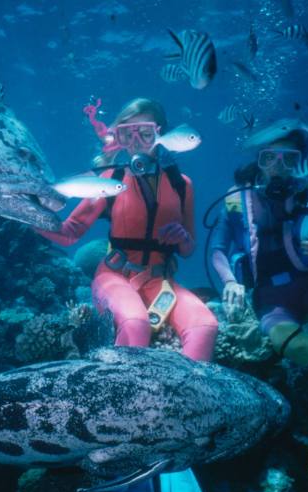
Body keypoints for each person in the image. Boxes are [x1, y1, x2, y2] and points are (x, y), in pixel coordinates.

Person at [33, 97, 218, 362]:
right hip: (114, 275)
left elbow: (188, 251)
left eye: (144, 133)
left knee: (205, 326)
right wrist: (26, 216)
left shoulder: (182, 184)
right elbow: (69, 233)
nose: (134, 142)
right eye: (125, 133)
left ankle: (186, 399)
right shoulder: (110, 180)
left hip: (161, 281)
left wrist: (183, 237)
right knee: (134, 324)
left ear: (161, 134)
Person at [210, 129, 308, 385]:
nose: (278, 166)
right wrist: (230, 280)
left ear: (300, 162)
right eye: (269, 158)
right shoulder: (235, 200)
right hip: (270, 297)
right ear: (258, 159)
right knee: (293, 345)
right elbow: (218, 249)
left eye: (289, 159)